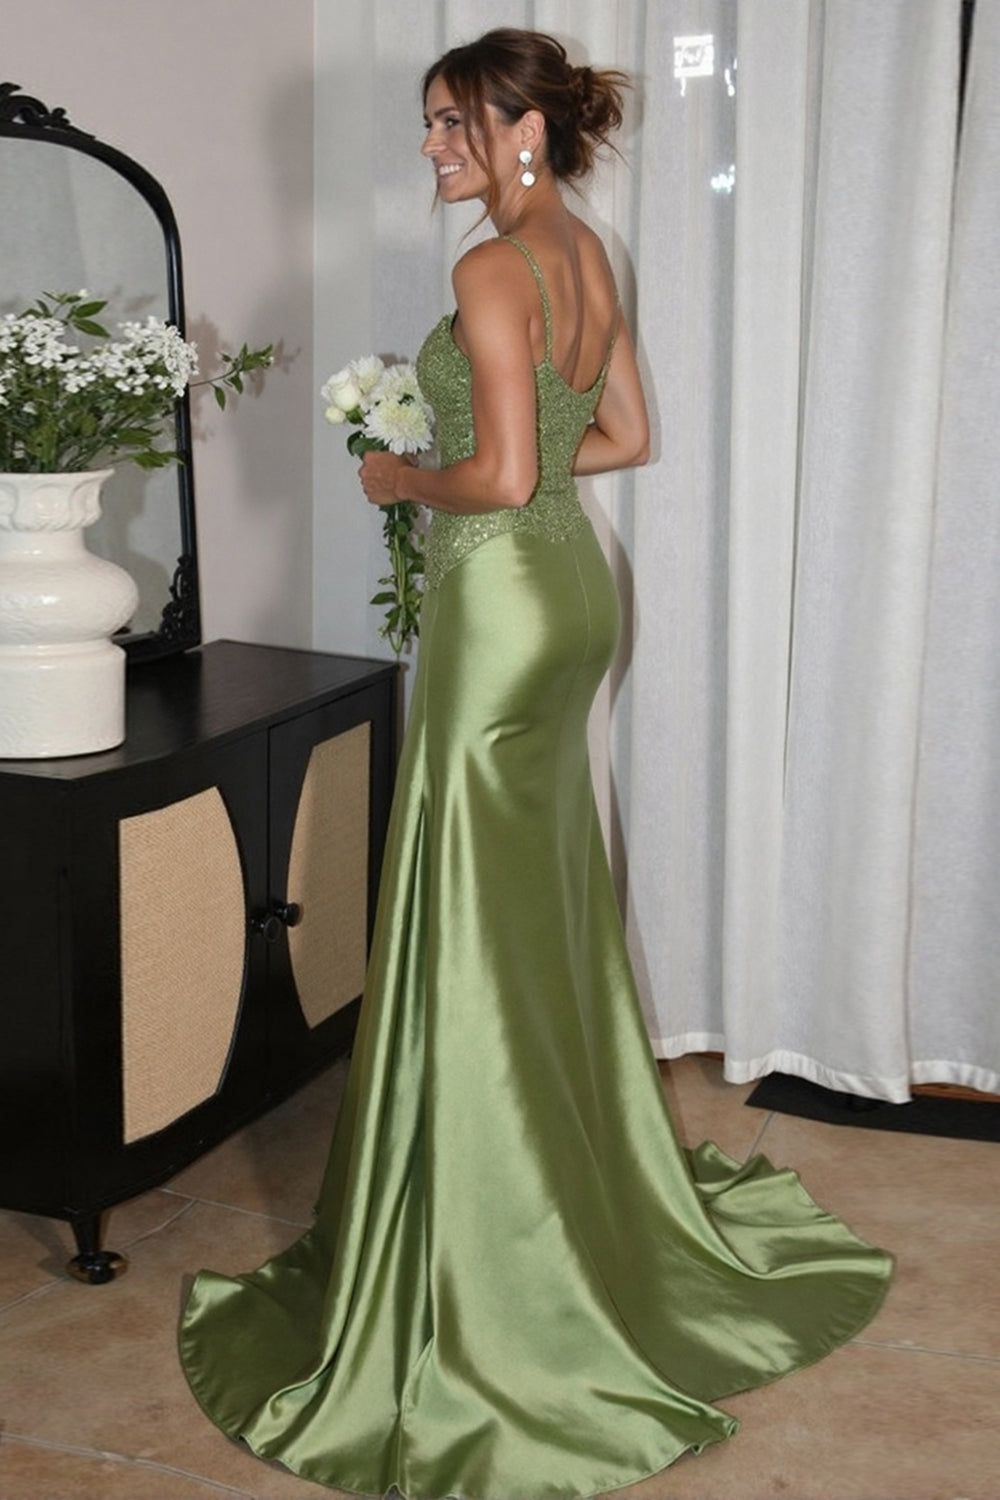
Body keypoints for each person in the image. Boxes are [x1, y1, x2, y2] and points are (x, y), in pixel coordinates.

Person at [179, 29, 892, 1500]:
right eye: (429, 124)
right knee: (530, 889)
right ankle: (555, 1174)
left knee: (468, 888)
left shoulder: (493, 271)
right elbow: (619, 437)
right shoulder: (587, 252)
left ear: (523, 128)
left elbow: (500, 476)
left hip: (504, 600)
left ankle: (489, 1232)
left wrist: (399, 472)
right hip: (573, 593)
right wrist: (489, 460)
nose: (432, 147)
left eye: (453, 123)